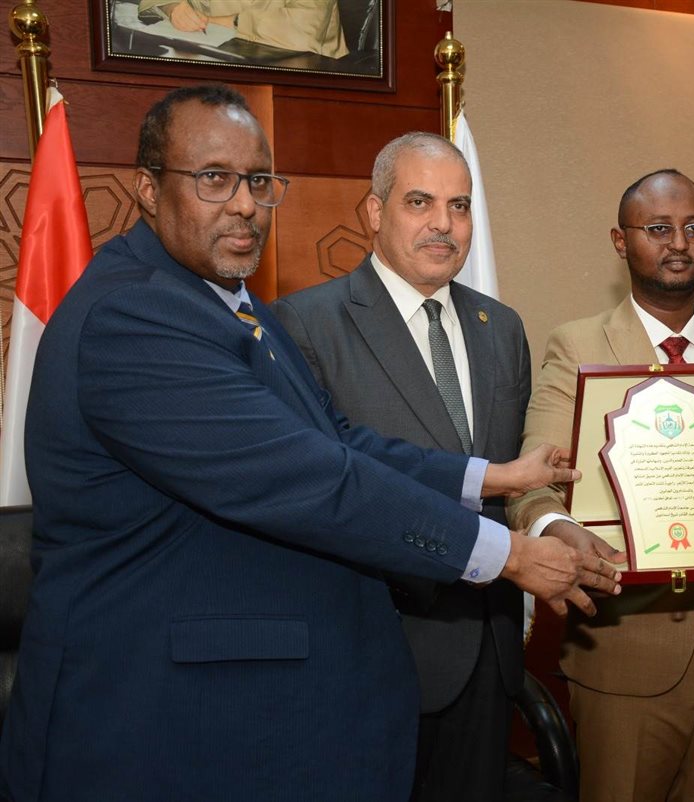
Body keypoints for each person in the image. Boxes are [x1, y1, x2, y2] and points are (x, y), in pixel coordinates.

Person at [0, 84, 618, 802]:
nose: (243, 204)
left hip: (258, 710)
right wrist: (504, 554)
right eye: (213, 179)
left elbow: (340, 440)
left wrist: (491, 477)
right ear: (146, 188)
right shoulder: (133, 316)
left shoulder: (233, 306)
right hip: (170, 724)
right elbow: (307, 478)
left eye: (258, 181)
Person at [507, 169, 694, 802]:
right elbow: (532, 484)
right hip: (626, 652)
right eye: (658, 228)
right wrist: (559, 530)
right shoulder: (577, 346)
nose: (679, 243)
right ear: (621, 241)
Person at [272, 133, 528, 802]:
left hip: (489, 649)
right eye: (420, 202)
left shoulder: (501, 327)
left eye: (459, 205)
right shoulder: (305, 323)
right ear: (374, 211)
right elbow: (326, 477)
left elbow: (518, 477)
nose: (444, 223)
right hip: (370, 646)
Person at [138, 0, 349, 59]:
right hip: (219, 57)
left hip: (303, 73)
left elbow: (303, 30)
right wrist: (173, 7)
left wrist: (230, 21)